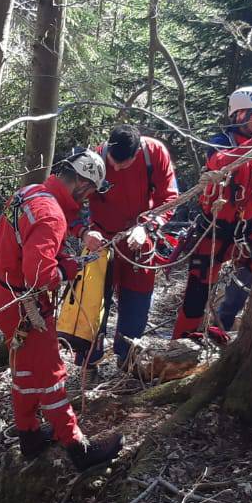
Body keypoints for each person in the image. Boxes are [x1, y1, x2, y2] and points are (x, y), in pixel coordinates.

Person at [0, 149, 123, 472]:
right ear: (83, 184)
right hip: (25, 307)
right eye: (88, 193)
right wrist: (69, 267)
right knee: (51, 376)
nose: (87, 200)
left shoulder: (30, 192)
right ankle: (78, 448)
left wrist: (79, 238)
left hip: (2, 294)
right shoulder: (51, 215)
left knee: (26, 371)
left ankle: (29, 435)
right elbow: (40, 276)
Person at [174, 86, 252, 342]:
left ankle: (223, 325)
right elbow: (220, 162)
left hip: (250, 229)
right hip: (215, 230)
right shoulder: (220, 142)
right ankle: (181, 341)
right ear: (240, 115)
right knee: (198, 290)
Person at [73, 125, 180, 367]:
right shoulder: (94, 160)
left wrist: (148, 225)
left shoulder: (155, 153)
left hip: (139, 240)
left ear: (137, 153)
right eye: (114, 162)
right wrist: (83, 231)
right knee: (91, 303)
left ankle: (127, 358)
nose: (118, 168)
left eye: (126, 164)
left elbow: (169, 197)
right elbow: (71, 202)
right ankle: (87, 362)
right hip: (101, 242)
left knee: (137, 302)